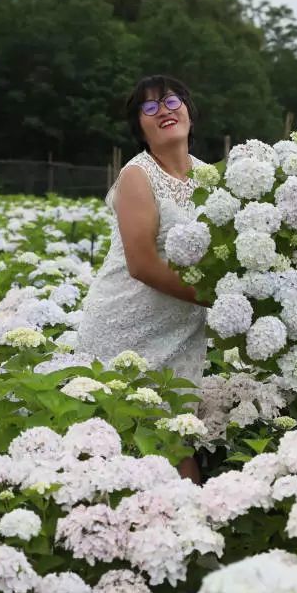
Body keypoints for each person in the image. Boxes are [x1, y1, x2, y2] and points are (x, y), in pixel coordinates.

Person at [77, 74, 208, 481]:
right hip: (125, 329)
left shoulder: (212, 178)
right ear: (140, 126)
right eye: (149, 108)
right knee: (127, 444)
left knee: (173, 442)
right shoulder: (138, 175)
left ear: (187, 109)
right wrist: (217, 297)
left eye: (171, 100)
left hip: (180, 332)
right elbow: (142, 264)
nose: (164, 111)